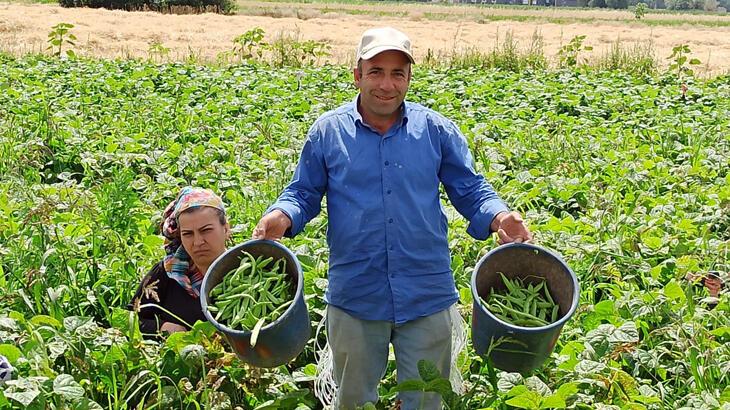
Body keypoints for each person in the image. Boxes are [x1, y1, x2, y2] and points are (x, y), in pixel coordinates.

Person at [252, 27, 532, 410]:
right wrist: (280, 216)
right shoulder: (328, 133)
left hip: (426, 291)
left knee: (426, 399)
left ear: (409, 78)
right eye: (376, 71)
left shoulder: (434, 130)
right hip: (356, 291)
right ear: (357, 75)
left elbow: (470, 189)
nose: (387, 84)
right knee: (353, 401)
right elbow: (303, 192)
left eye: (397, 73)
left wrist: (500, 217)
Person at [128, 187, 230, 336]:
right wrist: (162, 327)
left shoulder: (242, 272)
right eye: (188, 234)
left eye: (206, 230)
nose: (198, 242)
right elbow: (130, 318)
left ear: (226, 229)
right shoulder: (167, 272)